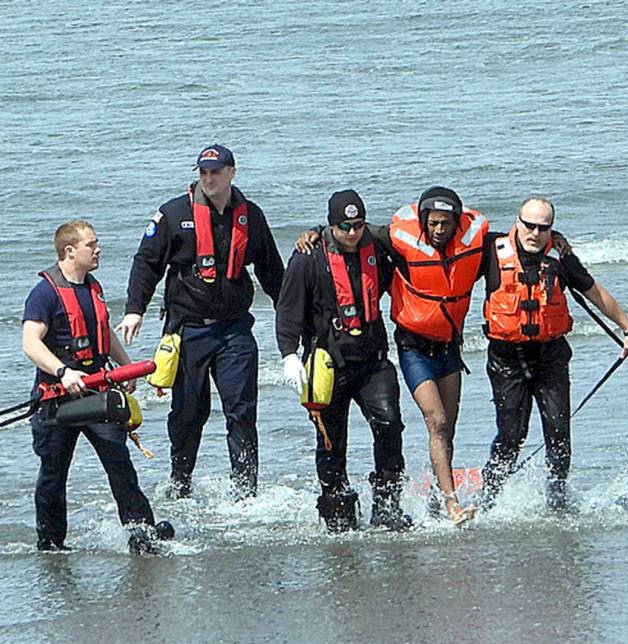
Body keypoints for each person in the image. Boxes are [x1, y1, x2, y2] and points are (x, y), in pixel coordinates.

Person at [295, 186, 491, 524]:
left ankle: (411, 503)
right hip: (407, 349)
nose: (439, 229)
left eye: (445, 223)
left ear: (456, 223)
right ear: (423, 220)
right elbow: (350, 228)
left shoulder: (470, 245)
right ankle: (448, 503)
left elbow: (511, 246)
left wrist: (555, 240)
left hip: (445, 349)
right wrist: (314, 231)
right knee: (435, 421)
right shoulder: (396, 241)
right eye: (433, 222)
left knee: (439, 428)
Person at [117, 145, 284, 500]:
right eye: (203, 172)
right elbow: (146, 263)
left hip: (235, 331)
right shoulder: (173, 214)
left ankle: (245, 493)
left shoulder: (251, 216)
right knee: (189, 413)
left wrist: (294, 322)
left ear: (232, 172)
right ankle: (180, 483)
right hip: (188, 330)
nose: (209, 179)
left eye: (216, 172)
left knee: (241, 411)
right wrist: (135, 309)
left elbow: (272, 272)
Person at [478, 197, 628, 511]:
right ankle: (490, 498)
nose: (535, 233)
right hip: (506, 360)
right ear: (517, 222)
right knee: (511, 435)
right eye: (529, 225)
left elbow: (595, 292)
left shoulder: (560, 257)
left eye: (543, 228)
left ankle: (556, 499)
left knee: (558, 434)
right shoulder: (491, 251)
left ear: (551, 229)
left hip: (550, 357)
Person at [21, 220, 172, 553]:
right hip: (57, 401)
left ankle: (142, 534)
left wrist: (126, 367)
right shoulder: (44, 293)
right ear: (69, 251)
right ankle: (51, 545)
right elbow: (30, 343)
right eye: (91, 244)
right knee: (53, 474)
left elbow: (105, 332)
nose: (98, 249)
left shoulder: (93, 287)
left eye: (96, 243)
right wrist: (63, 372)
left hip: (97, 396)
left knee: (120, 465)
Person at [277, 190, 412, 532]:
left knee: (390, 425)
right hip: (327, 364)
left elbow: (414, 255)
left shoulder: (377, 249)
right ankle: (338, 513)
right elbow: (288, 309)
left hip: (372, 361)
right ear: (330, 226)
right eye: (344, 227)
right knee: (330, 442)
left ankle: (387, 506)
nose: (352, 233)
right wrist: (288, 354)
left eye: (358, 225)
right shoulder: (307, 257)